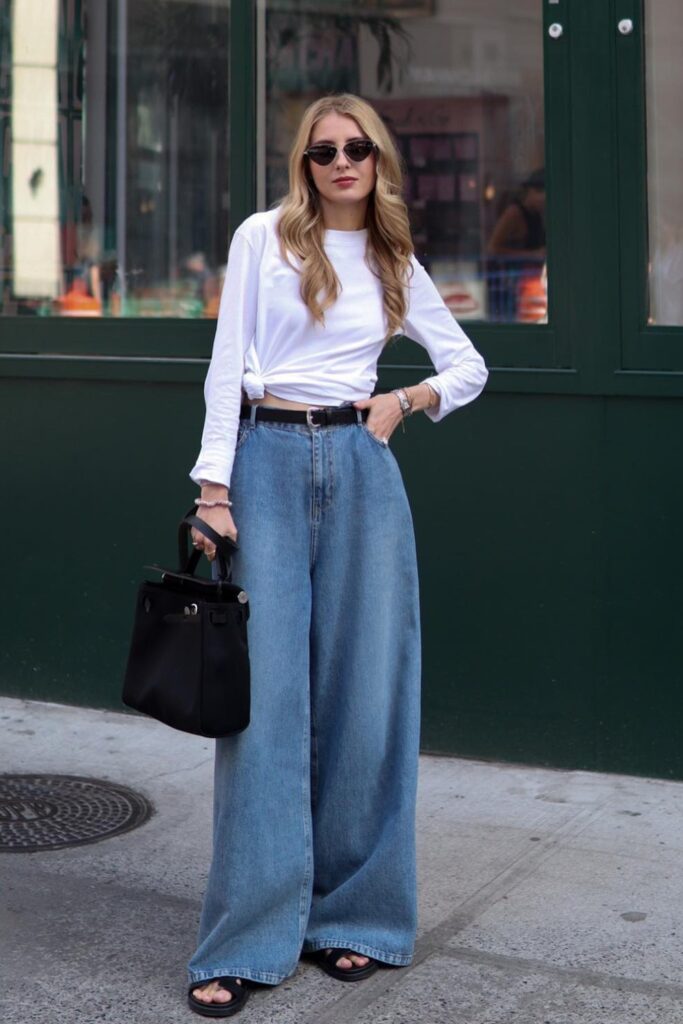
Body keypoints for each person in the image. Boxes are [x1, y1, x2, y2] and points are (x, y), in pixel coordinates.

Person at [186, 93, 488, 1017]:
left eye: (358, 148)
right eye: (324, 151)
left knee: (369, 697)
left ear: (378, 159)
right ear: (304, 162)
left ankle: (355, 919)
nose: (342, 162)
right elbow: (225, 361)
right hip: (268, 464)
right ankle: (247, 937)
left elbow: (468, 365)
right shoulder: (261, 238)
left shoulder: (395, 258)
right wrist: (212, 487)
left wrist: (408, 401)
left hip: (361, 469)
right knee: (263, 710)